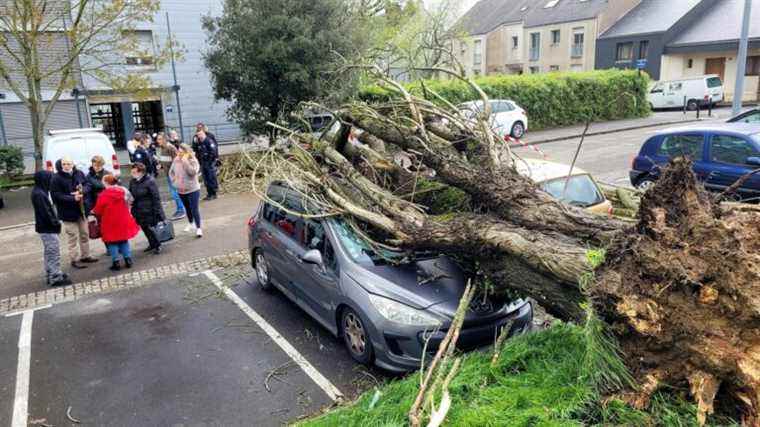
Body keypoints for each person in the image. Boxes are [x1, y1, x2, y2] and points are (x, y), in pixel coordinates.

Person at [50, 157, 98, 269]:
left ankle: (85, 255)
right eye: (64, 164)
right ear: (61, 165)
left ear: (73, 164)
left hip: (81, 210)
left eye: (68, 163)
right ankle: (74, 259)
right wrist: (73, 198)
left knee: (85, 234)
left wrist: (82, 191)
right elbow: (56, 196)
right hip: (67, 212)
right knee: (73, 237)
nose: (66, 166)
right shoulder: (56, 178)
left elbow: (88, 185)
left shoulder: (79, 173)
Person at [92, 174, 141, 271]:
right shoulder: (123, 190)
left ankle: (116, 262)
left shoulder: (103, 195)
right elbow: (131, 200)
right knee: (124, 239)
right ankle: (128, 260)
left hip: (109, 221)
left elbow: (98, 210)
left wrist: (92, 211)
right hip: (123, 218)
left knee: (111, 242)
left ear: (106, 182)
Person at [31, 171, 71, 287]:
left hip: (45, 227)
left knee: (49, 252)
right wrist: (56, 223)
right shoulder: (40, 194)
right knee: (53, 252)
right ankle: (55, 276)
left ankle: (51, 273)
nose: (51, 182)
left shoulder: (39, 191)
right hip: (47, 228)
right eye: (49, 179)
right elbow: (46, 213)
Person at [129, 163, 166, 254]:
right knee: (144, 228)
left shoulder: (150, 181)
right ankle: (151, 243)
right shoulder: (132, 181)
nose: (132, 173)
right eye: (132, 172)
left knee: (151, 228)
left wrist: (158, 211)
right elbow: (130, 193)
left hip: (149, 209)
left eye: (134, 172)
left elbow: (156, 197)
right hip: (138, 209)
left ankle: (157, 245)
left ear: (141, 172)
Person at [170, 144, 203, 237]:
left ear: (186, 152)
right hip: (181, 189)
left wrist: (185, 162)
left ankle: (199, 228)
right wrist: (174, 181)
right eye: (178, 152)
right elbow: (171, 172)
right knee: (187, 208)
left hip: (193, 189)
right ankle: (190, 223)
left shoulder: (193, 160)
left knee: (194, 208)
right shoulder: (176, 160)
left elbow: (193, 172)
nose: (179, 154)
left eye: (182, 152)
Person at [156, 133, 186, 220]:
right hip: (168, 174)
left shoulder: (170, 148)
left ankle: (181, 210)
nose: (158, 141)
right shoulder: (162, 148)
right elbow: (166, 161)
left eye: (160, 139)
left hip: (173, 175)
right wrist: (161, 165)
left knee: (175, 193)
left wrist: (176, 174)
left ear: (165, 139)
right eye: (158, 139)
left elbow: (177, 161)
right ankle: (179, 209)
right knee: (174, 193)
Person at [192, 126, 219, 200]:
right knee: (206, 179)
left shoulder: (208, 141)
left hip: (209, 163)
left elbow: (213, 152)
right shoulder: (199, 142)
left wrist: (210, 161)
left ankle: (214, 193)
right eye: (198, 134)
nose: (199, 136)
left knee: (211, 178)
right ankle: (209, 193)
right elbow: (197, 151)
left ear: (204, 133)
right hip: (203, 163)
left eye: (201, 134)